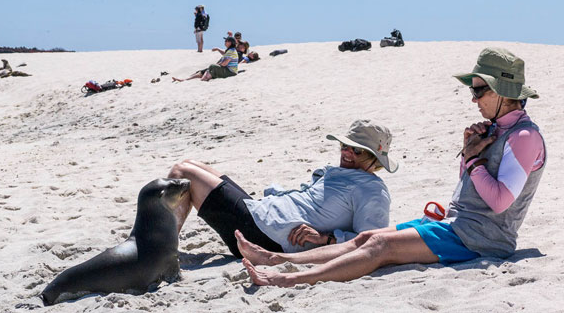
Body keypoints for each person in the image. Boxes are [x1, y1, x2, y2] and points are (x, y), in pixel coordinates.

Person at [237, 47, 546, 287]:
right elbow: (467, 187)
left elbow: (500, 202)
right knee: (366, 237)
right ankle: (275, 258)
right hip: (459, 225)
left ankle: (288, 279)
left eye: (479, 90)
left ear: (501, 92)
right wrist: (469, 153)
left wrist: (475, 160)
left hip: (482, 240)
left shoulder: (523, 136)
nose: (473, 99)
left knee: (381, 246)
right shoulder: (498, 130)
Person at [167, 120, 399, 258]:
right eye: (344, 146)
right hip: (261, 213)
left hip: (265, 236)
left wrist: (325, 239)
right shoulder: (343, 172)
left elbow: (371, 242)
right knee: (192, 164)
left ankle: (160, 253)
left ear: (375, 159)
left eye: (356, 150)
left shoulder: (372, 192)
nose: (346, 153)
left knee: (182, 173)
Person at [172, 37, 238, 82]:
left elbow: (224, 64)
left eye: (226, 41)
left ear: (230, 43)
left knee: (212, 67)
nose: (225, 42)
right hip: (227, 70)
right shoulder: (230, 50)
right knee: (205, 70)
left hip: (230, 72)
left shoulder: (231, 51)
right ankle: (185, 79)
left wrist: (216, 65)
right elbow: (225, 54)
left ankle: (203, 79)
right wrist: (218, 49)